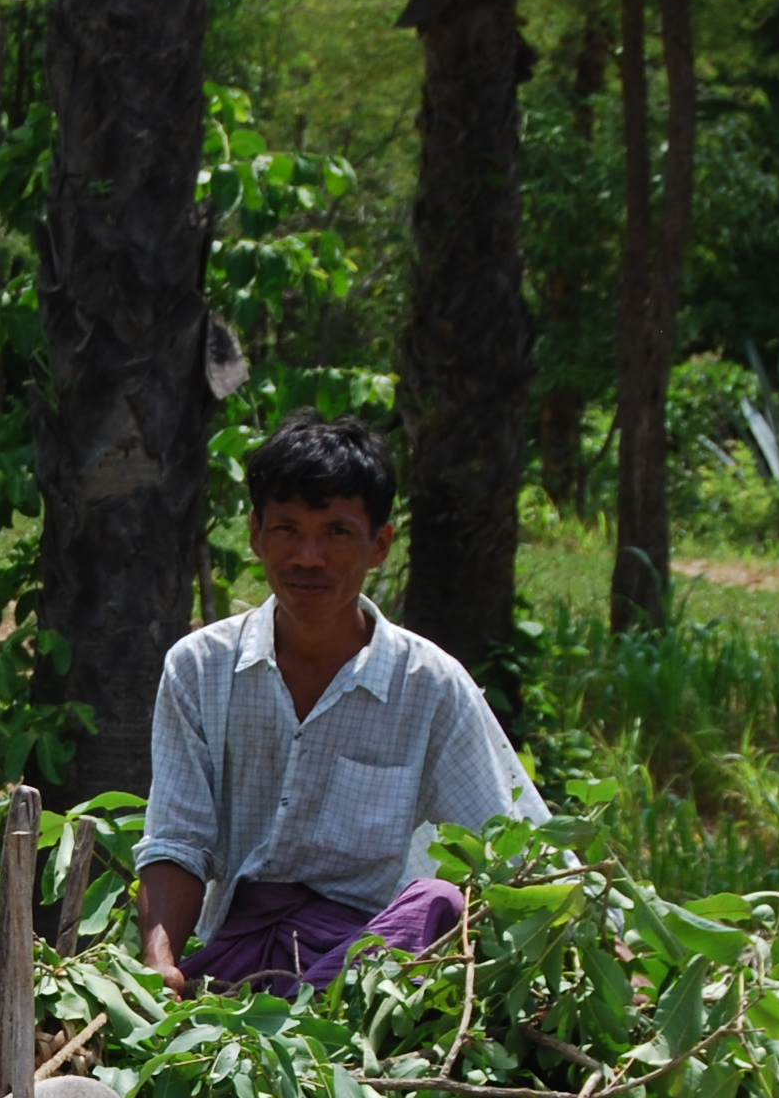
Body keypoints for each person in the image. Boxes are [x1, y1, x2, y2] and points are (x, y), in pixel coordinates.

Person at [132, 412, 546, 998]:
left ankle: (313, 1009)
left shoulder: (429, 685)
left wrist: (612, 945)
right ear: (255, 534)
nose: (308, 556)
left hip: (372, 970)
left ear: (380, 545)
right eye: (287, 529)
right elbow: (178, 838)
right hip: (242, 960)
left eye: (336, 532)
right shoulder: (199, 668)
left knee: (438, 902)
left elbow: (513, 849)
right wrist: (159, 960)